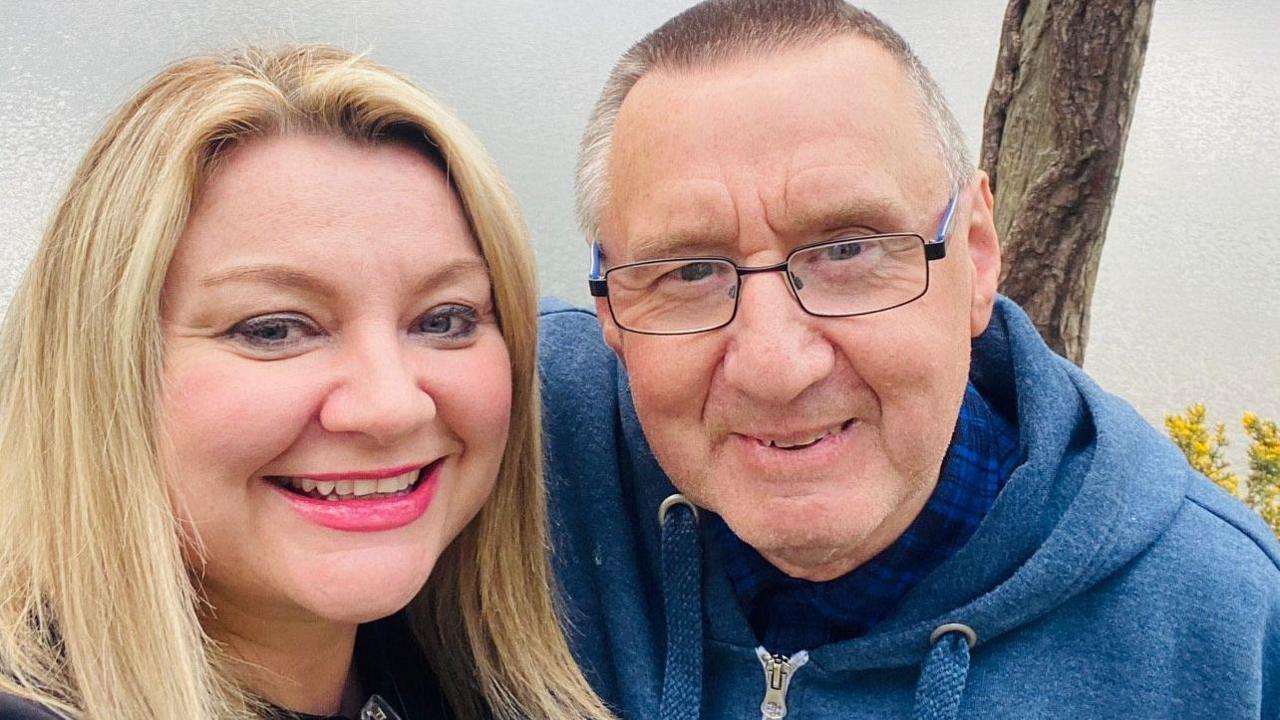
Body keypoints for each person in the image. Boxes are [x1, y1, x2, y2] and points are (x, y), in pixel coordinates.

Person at [540, 1, 1280, 718]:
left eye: (849, 250)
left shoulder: (1222, 628)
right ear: (609, 305)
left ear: (979, 256)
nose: (775, 366)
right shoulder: (518, 448)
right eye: (689, 272)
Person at [0, 45, 612, 720]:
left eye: (444, 319)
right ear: (99, 368)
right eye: (274, 329)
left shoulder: (442, 672)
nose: (391, 407)